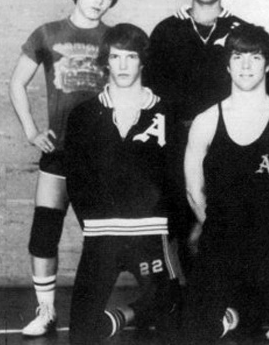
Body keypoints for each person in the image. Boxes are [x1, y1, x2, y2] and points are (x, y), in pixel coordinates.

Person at [182, 25, 269, 344]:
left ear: (268, 64)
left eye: (255, 57)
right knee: (193, 333)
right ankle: (237, 314)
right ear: (227, 65)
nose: (245, 65)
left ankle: (242, 314)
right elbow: (193, 191)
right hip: (220, 243)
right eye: (237, 57)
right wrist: (220, 232)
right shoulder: (205, 121)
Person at [8, 0, 120, 337]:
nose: (100, 0)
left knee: (104, 239)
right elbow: (16, 83)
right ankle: (46, 311)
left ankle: (94, 311)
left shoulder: (115, 38)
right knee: (44, 233)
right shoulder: (48, 33)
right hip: (58, 154)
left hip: (100, 157)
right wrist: (31, 131)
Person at [63, 24, 181, 344]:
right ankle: (133, 313)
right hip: (103, 235)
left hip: (151, 234)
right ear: (106, 62)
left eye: (131, 56)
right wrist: (95, 223)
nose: (124, 65)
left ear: (143, 61)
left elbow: (177, 177)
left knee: (173, 326)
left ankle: (138, 311)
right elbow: (77, 179)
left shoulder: (166, 112)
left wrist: (166, 226)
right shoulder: (83, 115)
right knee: (82, 334)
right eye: (116, 57)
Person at [143, 0, 252, 271]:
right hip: (177, 142)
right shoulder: (166, 31)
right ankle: (183, 292)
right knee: (178, 220)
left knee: (221, 219)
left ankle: (221, 292)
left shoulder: (241, 31)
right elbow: (151, 96)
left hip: (226, 142)